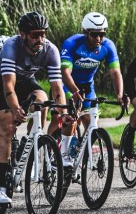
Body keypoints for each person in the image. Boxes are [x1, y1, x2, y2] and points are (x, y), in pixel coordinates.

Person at [0, 12, 66, 206]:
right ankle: (0, 186)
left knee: (42, 101)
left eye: (43, 34)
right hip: (0, 80)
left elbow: (57, 87)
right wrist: (15, 108)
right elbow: (8, 86)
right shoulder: (11, 46)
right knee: (7, 126)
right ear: (23, 34)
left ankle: (31, 141)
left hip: (25, 79)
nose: (40, 39)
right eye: (35, 35)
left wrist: (63, 113)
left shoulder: (50, 50)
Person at [52, 12, 124, 167]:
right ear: (85, 32)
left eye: (102, 34)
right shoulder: (72, 43)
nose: (98, 38)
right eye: (94, 34)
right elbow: (65, 73)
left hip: (87, 86)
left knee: (92, 123)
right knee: (71, 118)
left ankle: (78, 148)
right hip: (69, 84)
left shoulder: (108, 46)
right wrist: (74, 91)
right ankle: (63, 154)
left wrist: (120, 94)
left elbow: (115, 72)